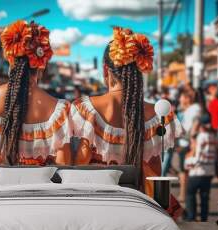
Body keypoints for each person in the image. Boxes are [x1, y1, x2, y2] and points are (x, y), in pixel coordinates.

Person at [71, 27, 183, 218]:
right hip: (137, 208)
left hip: (93, 210)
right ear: (139, 70)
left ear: (106, 70)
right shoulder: (156, 115)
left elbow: (77, 166)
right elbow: (154, 172)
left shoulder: (84, 109)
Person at [0, 20, 72, 192]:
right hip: (38, 193)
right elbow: (64, 164)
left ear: (10, 59)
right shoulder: (60, 110)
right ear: (42, 63)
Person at [184, 114, 218, 221]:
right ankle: (204, 219)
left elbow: (198, 158)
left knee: (190, 194)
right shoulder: (213, 136)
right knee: (204, 197)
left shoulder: (201, 137)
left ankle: (191, 217)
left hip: (198, 172)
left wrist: (188, 163)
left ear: (200, 125)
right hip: (209, 172)